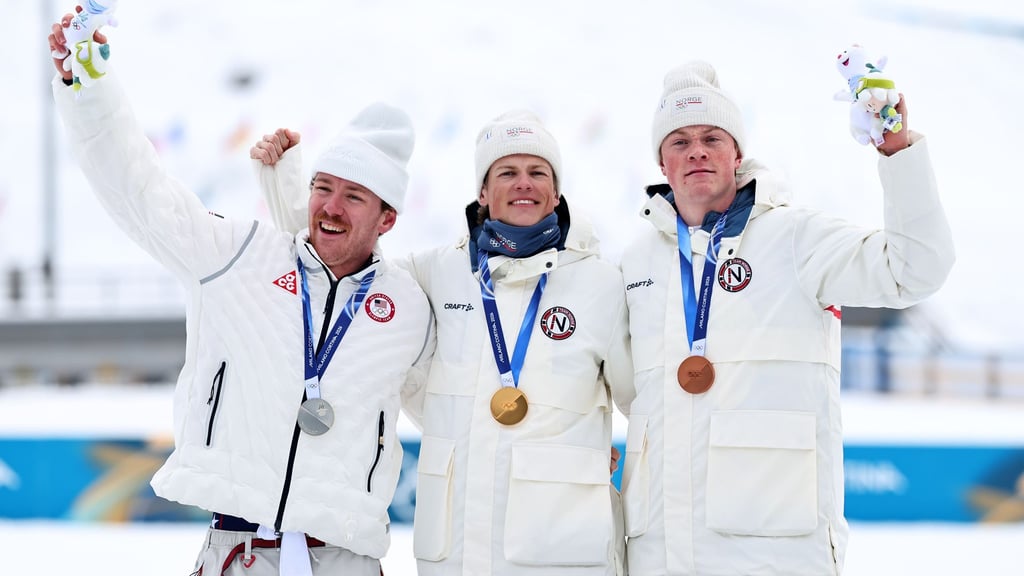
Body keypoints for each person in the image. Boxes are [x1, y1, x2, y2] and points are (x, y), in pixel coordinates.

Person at [48, 11, 434, 576]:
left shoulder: (407, 309)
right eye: (322, 187)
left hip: (347, 559)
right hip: (240, 553)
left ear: (388, 218)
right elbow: (140, 190)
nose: (329, 205)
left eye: (353, 196)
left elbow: (455, 414)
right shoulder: (239, 256)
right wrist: (87, 87)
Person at [254, 110, 635, 575]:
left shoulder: (601, 283)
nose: (524, 184)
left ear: (555, 193)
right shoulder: (434, 274)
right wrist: (284, 189)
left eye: (538, 173)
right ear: (481, 191)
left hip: (566, 552)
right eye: (507, 172)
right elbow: (339, 261)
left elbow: (646, 400)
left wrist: (593, 450)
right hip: (454, 552)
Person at [617, 59, 955, 575]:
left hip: (776, 555)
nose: (697, 151)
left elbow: (916, 269)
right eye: (679, 141)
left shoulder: (798, 239)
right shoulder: (633, 264)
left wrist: (896, 151)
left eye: (712, 136)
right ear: (662, 163)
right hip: (659, 555)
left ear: (737, 153)